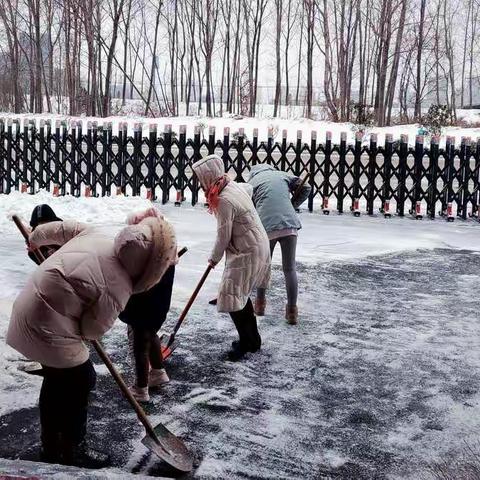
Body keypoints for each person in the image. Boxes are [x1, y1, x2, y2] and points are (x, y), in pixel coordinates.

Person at [7, 208, 177, 468]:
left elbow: (64, 229)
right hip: (48, 327)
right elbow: (90, 330)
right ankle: (73, 448)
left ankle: (51, 445)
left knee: (57, 379)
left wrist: (37, 236)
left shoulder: (101, 236)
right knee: (82, 378)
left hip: (27, 308)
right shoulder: (121, 287)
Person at [192, 154, 271, 361]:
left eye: (200, 179)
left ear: (208, 177)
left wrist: (213, 259)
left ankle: (247, 342)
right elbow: (249, 188)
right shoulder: (231, 185)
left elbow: (223, 235)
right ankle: (252, 340)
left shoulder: (224, 199)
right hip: (255, 244)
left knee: (232, 296)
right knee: (239, 295)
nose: (199, 184)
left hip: (247, 250)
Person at [118, 208, 175, 403]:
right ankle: (158, 372)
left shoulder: (144, 250)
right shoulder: (166, 242)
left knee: (140, 346)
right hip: (158, 307)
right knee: (151, 334)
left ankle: (140, 389)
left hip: (142, 306)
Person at [247, 164, 311, 325]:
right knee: (289, 268)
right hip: (290, 224)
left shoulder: (252, 183)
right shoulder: (282, 175)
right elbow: (306, 187)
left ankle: (259, 306)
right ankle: (292, 312)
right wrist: (292, 204)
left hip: (267, 227)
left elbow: (250, 207)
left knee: (263, 266)